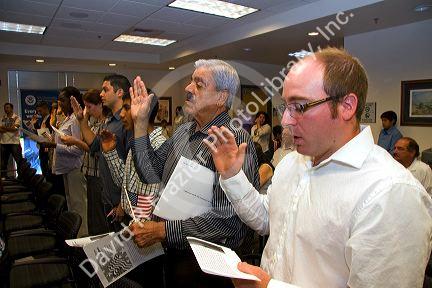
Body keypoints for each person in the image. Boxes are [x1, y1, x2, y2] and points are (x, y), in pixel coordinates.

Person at [204, 48, 432, 288]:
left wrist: (269, 287)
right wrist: (231, 174)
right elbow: (268, 218)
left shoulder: (391, 193)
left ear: (346, 106)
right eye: (286, 107)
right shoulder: (293, 162)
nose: (285, 121)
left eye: (299, 107)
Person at [128, 59, 260, 288]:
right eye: (191, 81)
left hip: (209, 268)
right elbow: (149, 172)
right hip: (174, 257)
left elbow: (230, 222)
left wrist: (163, 230)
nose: (188, 89)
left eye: (199, 84)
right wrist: (140, 124)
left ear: (221, 97)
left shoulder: (234, 140)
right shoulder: (183, 131)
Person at [100, 90, 166, 287]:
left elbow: (157, 198)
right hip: (135, 228)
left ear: (144, 111)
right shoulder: (137, 142)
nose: (121, 115)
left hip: (149, 234)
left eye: (127, 108)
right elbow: (125, 182)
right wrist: (111, 152)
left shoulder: (160, 145)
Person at [76, 74, 132, 232]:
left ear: (119, 92)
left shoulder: (127, 121)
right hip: (108, 195)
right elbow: (94, 146)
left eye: (105, 89)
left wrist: (122, 203)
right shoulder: (109, 121)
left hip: (121, 201)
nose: (101, 94)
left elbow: (131, 166)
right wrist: (82, 120)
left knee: (124, 250)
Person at [61, 89, 110, 235]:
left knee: (99, 217)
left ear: (100, 105)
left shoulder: (106, 124)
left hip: (98, 173)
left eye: (90, 106)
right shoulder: (95, 122)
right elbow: (87, 142)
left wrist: (74, 141)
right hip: (89, 171)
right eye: (86, 106)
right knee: (92, 215)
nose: (87, 110)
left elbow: (93, 148)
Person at [42, 86, 88, 237]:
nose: (59, 102)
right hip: (66, 169)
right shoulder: (68, 119)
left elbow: (78, 150)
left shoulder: (75, 120)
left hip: (74, 169)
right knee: (71, 205)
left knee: (78, 206)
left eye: (62, 99)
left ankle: (81, 240)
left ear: (72, 100)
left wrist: (55, 146)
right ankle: (74, 239)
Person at [28, 101, 53, 179]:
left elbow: (47, 132)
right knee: (43, 166)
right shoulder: (43, 119)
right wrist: (34, 125)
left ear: (46, 108)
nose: (39, 113)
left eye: (40, 111)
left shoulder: (51, 118)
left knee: (47, 168)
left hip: (48, 146)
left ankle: (50, 185)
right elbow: (40, 132)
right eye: (38, 111)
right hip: (42, 145)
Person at [0, 103, 23, 179]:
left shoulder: (17, 118)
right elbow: (0, 129)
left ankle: (21, 176)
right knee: (3, 161)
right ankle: (3, 177)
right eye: (5, 108)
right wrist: (10, 128)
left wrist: (4, 128)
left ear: (11, 108)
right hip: (3, 142)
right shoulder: (2, 118)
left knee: (18, 160)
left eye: (7, 107)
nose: (6, 109)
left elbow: (15, 129)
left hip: (14, 142)